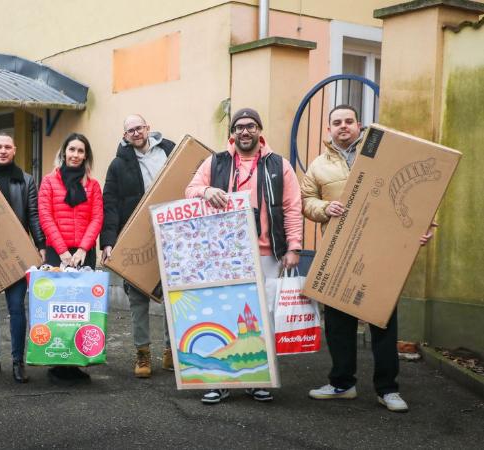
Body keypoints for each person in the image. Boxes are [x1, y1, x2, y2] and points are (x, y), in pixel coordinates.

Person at [301, 104, 436, 413]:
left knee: (383, 323)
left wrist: (426, 228)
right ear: (329, 129)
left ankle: (387, 389)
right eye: (337, 122)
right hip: (340, 254)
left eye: (349, 121)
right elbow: (306, 201)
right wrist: (325, 209)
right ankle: (342, 384)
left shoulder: (382, 154)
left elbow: (416, 194)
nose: (343, 126)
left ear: (358, 125)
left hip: (381, 253)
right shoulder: (319, 165)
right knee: (338, 324)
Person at [186, 107, 303, 404]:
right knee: (225, 317)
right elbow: (190, 189)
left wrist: (293, 248)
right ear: (232, 133)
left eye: (251, 126)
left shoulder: (280, 165)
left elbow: (292, 207)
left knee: (263, 320)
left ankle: (259, 380)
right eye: (239, 127)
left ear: (260, 131)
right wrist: (206, 191)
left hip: (268, 253)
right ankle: (219, 382)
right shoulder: (216, 161)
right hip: (225, 255)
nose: (245, 131)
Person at [101, 114, 176, 378]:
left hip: (171, 234)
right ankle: (142, 354)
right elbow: (109, 204)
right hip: (135, 238)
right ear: (125, 136)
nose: (136, 133)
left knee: (172, 295)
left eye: (139, 127)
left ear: (148, 128)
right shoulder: (118, 165)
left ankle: (171, 351)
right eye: (130, 130)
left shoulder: (170, 150)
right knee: (137, 299)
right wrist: (108, 242)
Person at [0, 132, 46, 383]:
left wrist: (40, 245)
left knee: (17, 308)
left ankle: (18, 361)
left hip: (16, 255)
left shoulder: (26, 181)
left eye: (8, 146)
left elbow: (33, 215)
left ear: (15, 150)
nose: (3, 150)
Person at [37, 132, 104, 382]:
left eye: (80, 151)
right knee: (58, 309)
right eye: (72, 149)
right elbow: (45, 216)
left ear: (86, 155)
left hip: (83, 253)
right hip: (58, 252)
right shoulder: (49, 182)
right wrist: (63, 251)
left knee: (81, 309)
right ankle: (57, 361)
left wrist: (83, 249)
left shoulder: (93, 185)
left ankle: (76, 361)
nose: (75, 155)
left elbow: (97, 217)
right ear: (64, 152)